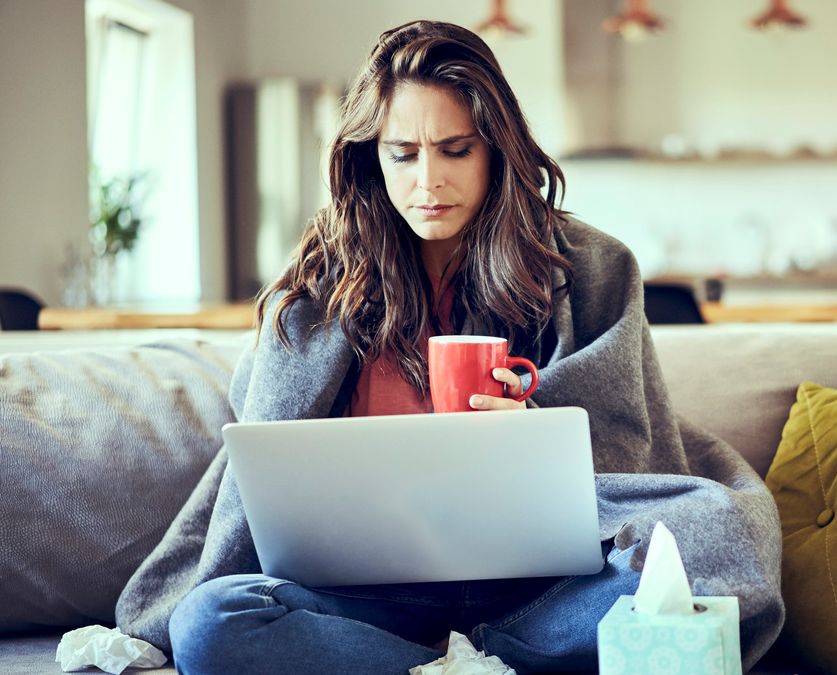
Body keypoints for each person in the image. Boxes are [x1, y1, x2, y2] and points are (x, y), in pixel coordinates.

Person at [116, 20, 785, 674]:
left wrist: (535, 433)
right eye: (402, 154)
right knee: (211, 623)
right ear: (369, 157)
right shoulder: (319, 289)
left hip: (543, 590)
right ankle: (477, 664)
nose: (428, 182)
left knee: (718, 543)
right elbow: (259, 465)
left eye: (455, 150)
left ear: (498, 147)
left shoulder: (592, 267)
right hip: (369, 597)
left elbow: (628, 454)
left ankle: (474, 656)